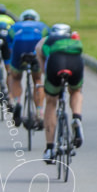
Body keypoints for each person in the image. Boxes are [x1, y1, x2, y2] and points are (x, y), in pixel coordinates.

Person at [35, 23, 85, 163]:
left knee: (51, 101)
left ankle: (50, 148)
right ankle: (76, 117)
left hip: (55, 64)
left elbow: (41, 58)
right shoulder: (74, 39)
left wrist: (48, 77)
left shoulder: (46, 40)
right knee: (76, 91)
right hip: (75, 63)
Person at [7, 9, 47, 129]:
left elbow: (9, 46)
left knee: (16, 77)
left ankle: (17, 102)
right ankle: (39, 112)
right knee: (38, 80)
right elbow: (47, 44)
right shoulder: (43, 26)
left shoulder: (15, 26)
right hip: (35, 46)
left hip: (19, 46)